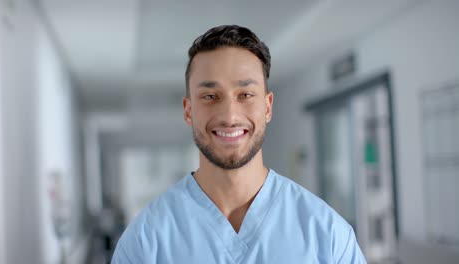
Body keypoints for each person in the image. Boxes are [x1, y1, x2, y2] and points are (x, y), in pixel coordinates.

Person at [111, 25, 366, 263]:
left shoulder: (328, 236)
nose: (230, 116)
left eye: (245, 95)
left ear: (267, 107)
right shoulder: (145, 243)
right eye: (210, 96)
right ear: (188, 111)